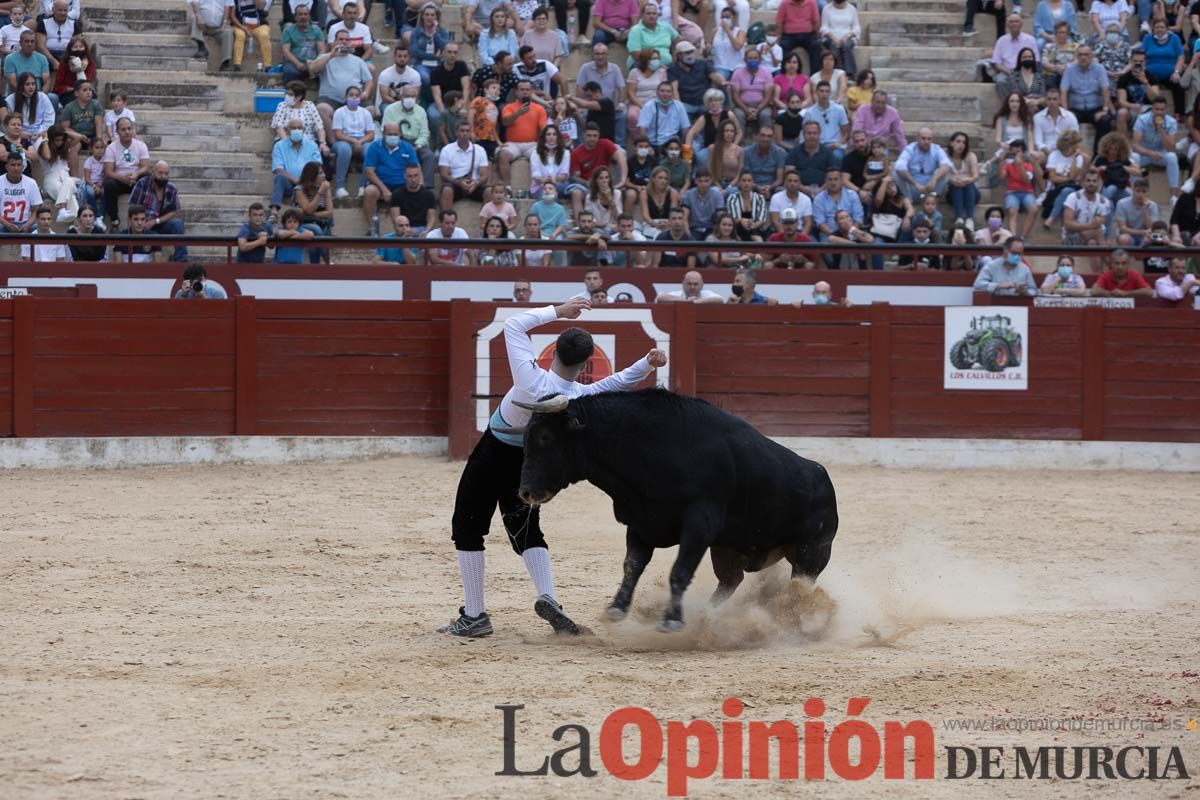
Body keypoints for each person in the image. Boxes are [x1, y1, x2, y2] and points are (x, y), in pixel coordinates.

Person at [439, 297, 667, 638]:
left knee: (468, 526)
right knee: (527, 530)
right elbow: (615, 384)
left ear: (553, 351)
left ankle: (474, 616)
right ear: (586, 362)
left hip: (494, 451)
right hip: (530, 463)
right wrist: (647, 364)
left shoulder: (531, 378)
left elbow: (514, 325)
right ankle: (549, 597)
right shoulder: (578, 397)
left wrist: (558, 311)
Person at [311, 30, 375, 144]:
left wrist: (366, 92)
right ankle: (335, 144)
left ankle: (361, 143)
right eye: (341, 39)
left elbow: (369, 80)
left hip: (354, 98)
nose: (344, 42)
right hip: (330, 99)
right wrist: (331, 55)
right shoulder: (325, 57)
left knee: (371, 110)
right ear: (334, 41)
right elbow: (313, 69)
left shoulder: (358, 60)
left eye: (347, 40)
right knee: (322, 109)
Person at [363, 121, 420, 236]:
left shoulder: (407, 147)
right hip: (380, 184)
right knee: (369, 192)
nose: (392, 137)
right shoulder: (374, 147)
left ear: (400, 134)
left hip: (402, 184)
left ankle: (409, 230)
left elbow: (416, 168)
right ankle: (373, 229)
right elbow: (369, 172)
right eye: (390, 134)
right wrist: (384, 189)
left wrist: (420, 185)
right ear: (384, 134)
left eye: (395, 134)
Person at [129, 160, 187, 262]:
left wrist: (156, 221)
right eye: (160, 173)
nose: (163, 176)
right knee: (153, 235)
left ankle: (181, 260)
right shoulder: (142, 184)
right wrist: (135, 228)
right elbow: (132, 208)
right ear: (153, 172)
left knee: (177, 223)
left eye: (166, 173)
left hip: (161, 224)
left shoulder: (171, 188)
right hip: (143, 225)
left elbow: (175, 211)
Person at [101, 118, 151, 231]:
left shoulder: (141, 145)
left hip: (136, 179)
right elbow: (108, 172)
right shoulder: (111, 148)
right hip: (119, 180)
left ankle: (141, 218)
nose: (127, 132)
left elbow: (146, 166)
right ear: (117, 131)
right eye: (123, 129)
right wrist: (122, 178)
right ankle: (114, 221)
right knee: (109, 184)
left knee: (146, 179)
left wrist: (137, 174)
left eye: (129, 128)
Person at [1131, 95, 1181, 206]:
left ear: (1166, 110)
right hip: (1144, 154)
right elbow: (1135, 145)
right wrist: (1150, 153)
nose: (1159, 112)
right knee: (1134, 157)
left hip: (1161, 154)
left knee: (1172, 157)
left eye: (1162, 110)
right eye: (1156, 109)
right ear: (1152, 109)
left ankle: (1174, 196)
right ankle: (1133, 193)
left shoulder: (1171, 122)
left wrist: (1161, 129)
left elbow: (1170, 148)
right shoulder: (1142, 119)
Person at [271, 118, 322, 222]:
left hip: (308, 183)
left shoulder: (312, 145)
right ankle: (274, 210)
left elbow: (317, 166)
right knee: (279, 177)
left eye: (299, 128)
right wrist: (294, 180)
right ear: (287, 130)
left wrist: (304, 180)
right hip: (289, 183)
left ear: (303, 130)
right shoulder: (279, 146)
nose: (297, 130)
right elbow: (278, 168)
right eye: (293, 128)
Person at [498, 79, 548, 184]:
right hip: (513, 144)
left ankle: (539, 186)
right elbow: (505, 122)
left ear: (531, 92)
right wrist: (518, 113)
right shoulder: (509, 107)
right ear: (516, 92)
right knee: (503, 155)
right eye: (522, 89)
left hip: (532, 144)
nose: (525, 92)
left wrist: (542, 144)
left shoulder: (539, 109)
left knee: (542, 154)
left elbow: (544, 129)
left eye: (527, 90)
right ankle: (507, 187)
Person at [893, 127, 951, 203]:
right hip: (913, 188)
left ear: (932, 140)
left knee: (946, 171)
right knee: (896, 171)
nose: (926, 142)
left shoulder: (936, 149)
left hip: (931, 188)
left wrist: (934, 179)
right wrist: (915, 184)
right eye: (923, 138)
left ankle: (932, 201)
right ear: (917, 139)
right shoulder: (910, 149)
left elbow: (946, 164)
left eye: (929, 139)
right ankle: (908, 202)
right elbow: (900, 166)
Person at [1061, 168, 1110, 249]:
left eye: (1094, 181)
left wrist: (1095, 225)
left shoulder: (1104, 202)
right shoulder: (1073, 197)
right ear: (1083, 182)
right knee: (1097, 231)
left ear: (1099, 183)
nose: (1091, 183)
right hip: (1070, 239)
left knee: (1092, 243)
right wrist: (1090, 226)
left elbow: (1101, 223)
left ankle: (1104, 255)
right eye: (1088, 180)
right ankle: (1107, 257)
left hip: (1092, 238)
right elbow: (1068, 224)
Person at [729, 47, 776, 133]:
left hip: (762, 106)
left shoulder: (766, 73)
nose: (753, 60)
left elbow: (768, 96)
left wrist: (758, 109)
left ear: (760, 59)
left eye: (755, 58)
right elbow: (735, 96)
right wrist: (746, 110)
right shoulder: (737, 73)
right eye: (750, 58)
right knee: (738, 115)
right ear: (745, 60)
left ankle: (766, 141)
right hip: (742, 106)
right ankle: (739, 142)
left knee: (765, 115)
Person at [973, 236, 1039, 295]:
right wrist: (999, 286)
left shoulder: (1025, 269)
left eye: (1019, 254)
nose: (1017, 256)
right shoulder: (991, 266)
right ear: (1005, 250)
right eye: (1014, 253)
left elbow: (1034, 291)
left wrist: (1025, 292)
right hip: (995, 305)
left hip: (1017, 306)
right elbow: (978, 284)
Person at [281, 4, 326, 84]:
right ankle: (292, 94)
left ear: (309, 17)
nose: (303, 17)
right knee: (291, 72)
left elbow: (322, 50)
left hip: (313, 62)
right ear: (295, 17)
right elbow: (286, 51)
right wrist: (298, 64)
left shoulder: (317, 30)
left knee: (325, 71)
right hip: (293, 62)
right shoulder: (288, 30)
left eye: (306, 14)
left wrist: (315, 63)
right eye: (300, 14)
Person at [776, 0, 820, 75]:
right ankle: (784, 74)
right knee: (783, 46)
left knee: (815, 46)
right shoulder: (785, 3)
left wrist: (816, 34)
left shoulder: (812, 2)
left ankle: (814, 76)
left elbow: (816, 21)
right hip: (789, 36)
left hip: (808, 35)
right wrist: (778, 38)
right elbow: (779, 22)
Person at [189, 0, 234, 70]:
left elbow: (227, 6)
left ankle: (225, 63)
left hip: (218, 27)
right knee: (194, 17)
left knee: (228, 32)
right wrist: (198, 15)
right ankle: (201, 48)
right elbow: (195, 2)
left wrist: (225, 21)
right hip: (202, 24)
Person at [1114, 177, 1159, 246]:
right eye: (1138, 191)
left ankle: (1141, 256)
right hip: (1128, 235)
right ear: (1133, 191)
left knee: (1149, 239)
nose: (1141, 195)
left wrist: (1146, 210)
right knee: (1123, 239)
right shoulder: (1121, 203)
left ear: (1148, 192)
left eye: (1144, 192)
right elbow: (1123, 228)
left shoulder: (1153, 205)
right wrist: (1142, 232)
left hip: (1144, 236)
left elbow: (1151, 228)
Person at [231, 0, 273, 72]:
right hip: (240, 25)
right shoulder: (235, 1)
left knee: (264, 35)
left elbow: (261, 7)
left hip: (258, 25)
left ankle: (268, 66)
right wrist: (243, 28)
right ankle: (237, 65)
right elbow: (233, 16)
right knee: (240, 35)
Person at [657, 269, 724, 302]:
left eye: (695, 284)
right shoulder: (677, 294)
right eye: (689, 284)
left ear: (702, 285)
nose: (692, 287)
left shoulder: (706, 294)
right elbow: (660, 297)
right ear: (683, 284)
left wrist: (697, 302)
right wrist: (686, 301)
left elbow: (720, 299)